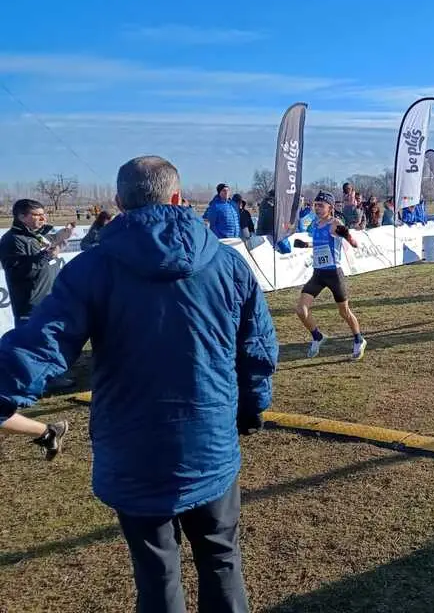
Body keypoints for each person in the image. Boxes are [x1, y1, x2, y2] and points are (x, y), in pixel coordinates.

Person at [0, 156, 278, 612]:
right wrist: (252, 409)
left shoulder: (92, 268)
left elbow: (40, 342)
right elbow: (259, 352)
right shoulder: (227, 263)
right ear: (177, 199)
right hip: (206, 441)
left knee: (157, 572)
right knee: (221, 560)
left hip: (135, 448)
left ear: (118, 203)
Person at [0, 199, 76, 389]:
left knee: (50, 340)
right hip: (30, 302)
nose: (43, 218)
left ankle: (50, 377)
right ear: (21, 217)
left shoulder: (35, 236)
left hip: (47, 297)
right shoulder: (12, 240)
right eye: (37, 215)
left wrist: (59, 241)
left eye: (44, 214)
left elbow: (46, 255)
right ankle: (37, 381)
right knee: (33, 344)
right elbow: (21, 272)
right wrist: (48, 253)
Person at [296, 191, 367, 361]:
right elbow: (321, 244)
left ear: (330, 207)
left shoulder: (335, 223)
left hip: (334, 274)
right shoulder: (315, 224)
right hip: (318, 274)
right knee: (300, 309)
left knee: (344, 312)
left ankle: (359, 340)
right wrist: (306, 244)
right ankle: (318, 337)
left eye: (321, 205)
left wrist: (347, 235)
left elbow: (354, 243)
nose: (318, 208)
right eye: (316, 205)